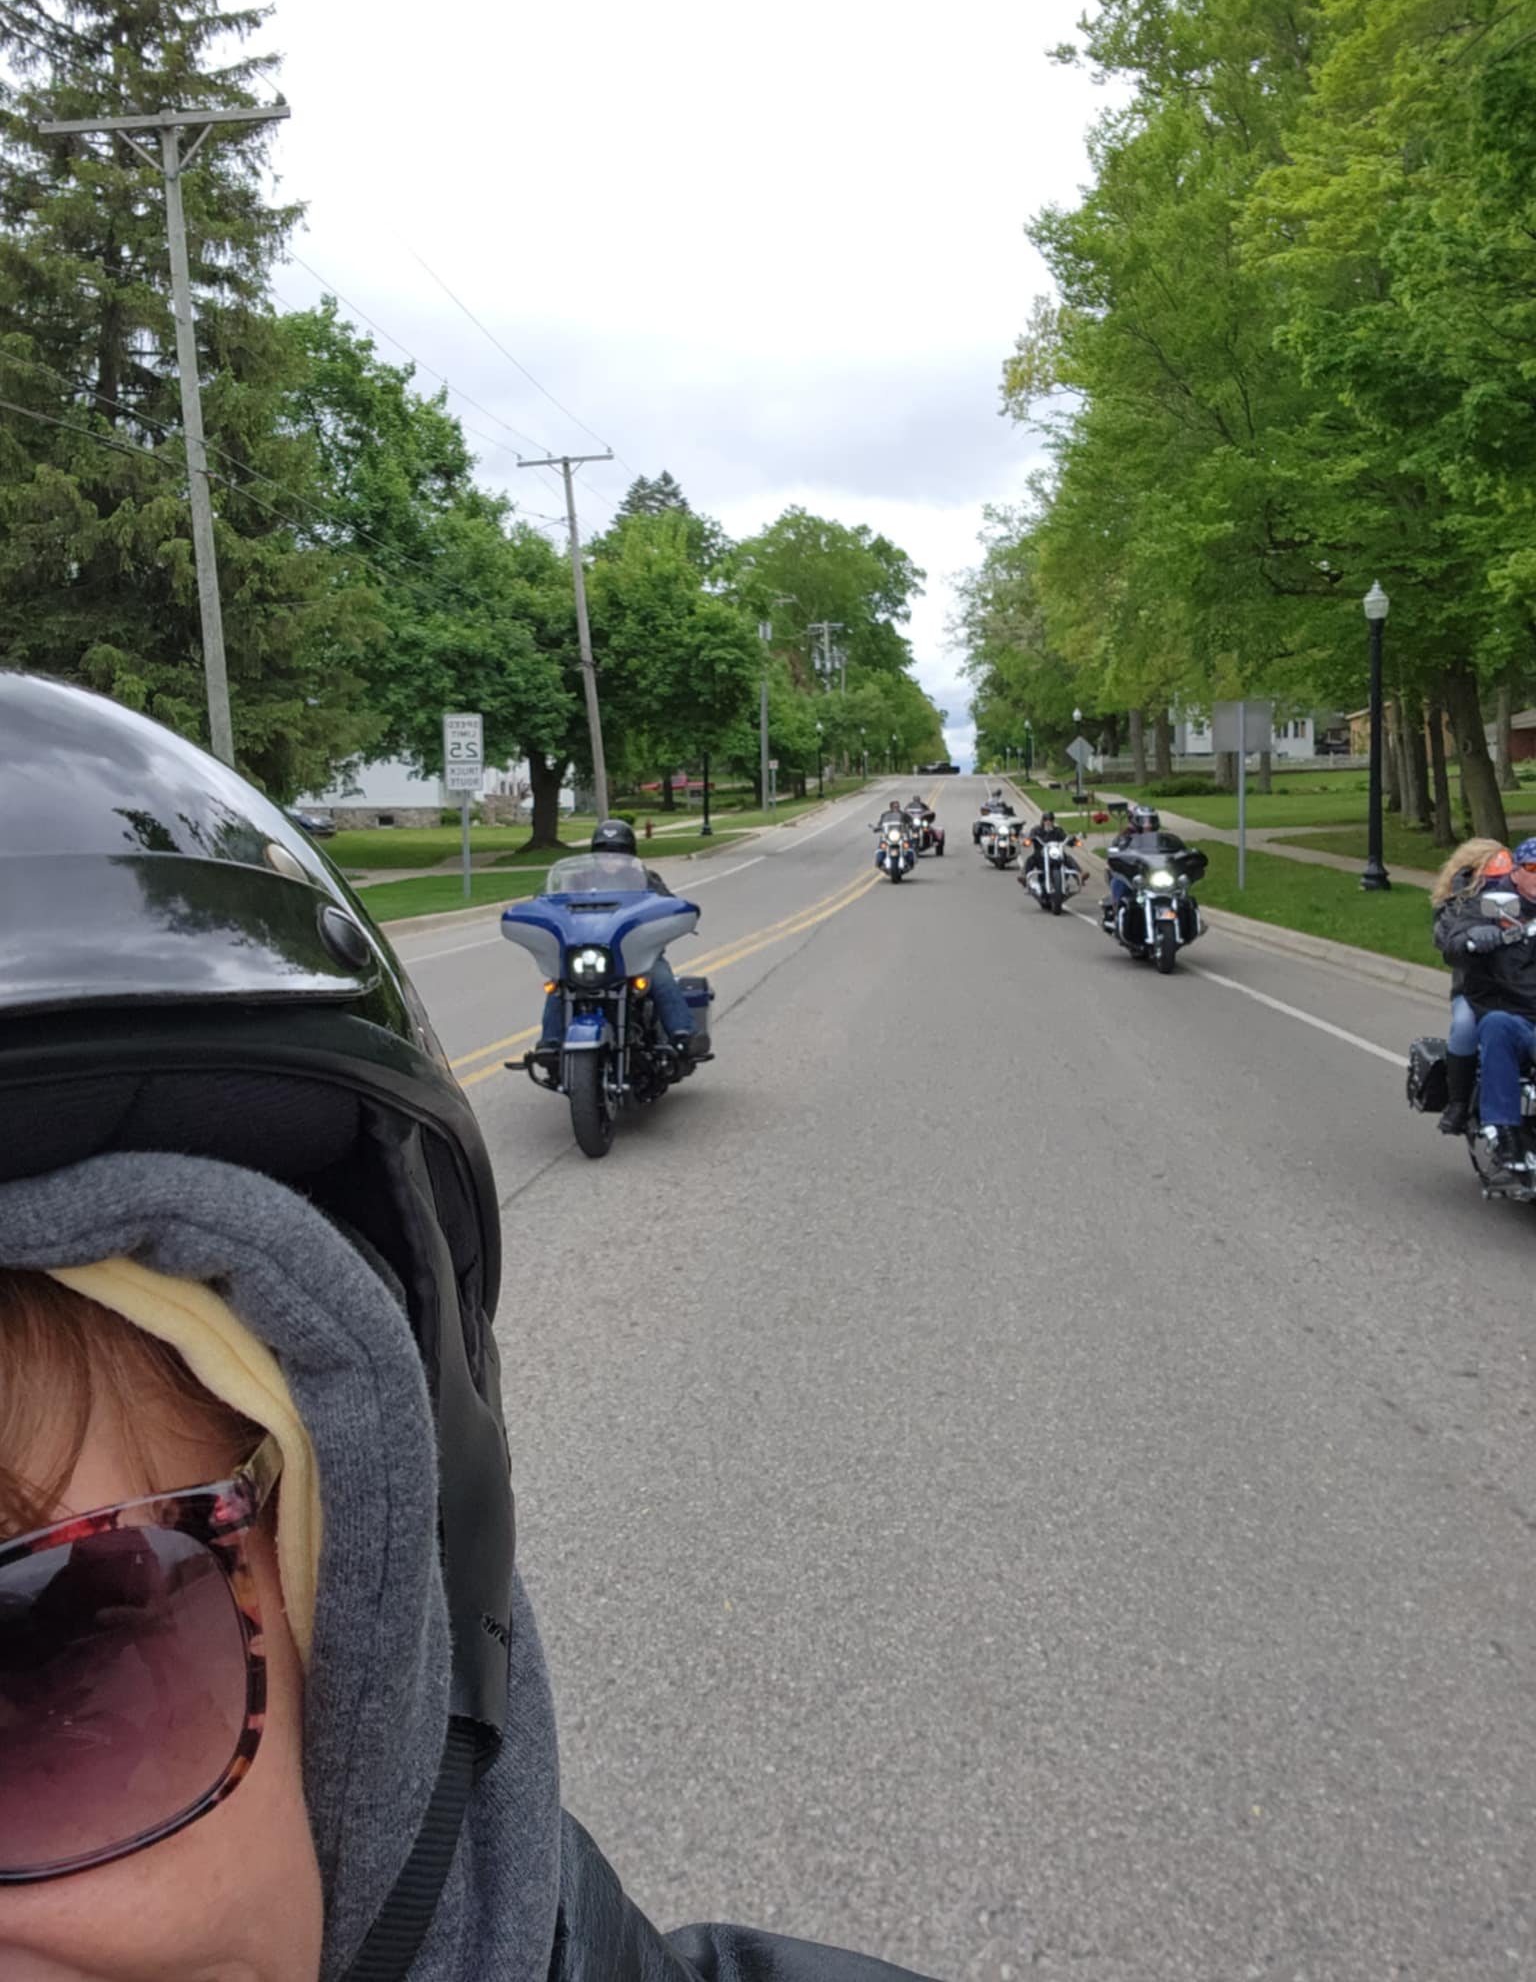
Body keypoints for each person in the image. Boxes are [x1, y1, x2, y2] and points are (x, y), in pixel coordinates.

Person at [0, 671, 937, 1982]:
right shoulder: (576, 884)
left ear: (374, 1593)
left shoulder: (641, 881)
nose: (604, 853)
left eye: (37, 1654)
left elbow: (663, 912)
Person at [536, 816, 700, 1060]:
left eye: (618, 853)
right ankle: (549, 1042)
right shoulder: (578, 881)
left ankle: (684, 1034)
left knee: (661, 978)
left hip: (637, 954)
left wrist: (678, 913)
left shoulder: (646, 879)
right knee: (560, 983)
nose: (611, 859)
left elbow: (667, 904)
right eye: (605, 853)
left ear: (630, 855)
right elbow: (556, 906)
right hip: (590, 951)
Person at [1435, 835, 1536, 1172]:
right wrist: (1474, 938)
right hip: (1511, 1008)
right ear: (1517, 872)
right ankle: (1500, 1129)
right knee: (1488, 1025)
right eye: (1533, 868)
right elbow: (1452, 942)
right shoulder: (1486, 906)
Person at [1428, 838, 1515, 1133]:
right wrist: (1461, 906)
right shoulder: (1456, 905)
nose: (1500, 884)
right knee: (1465, 1026)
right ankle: (1458, 1104)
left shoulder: (1523, 899)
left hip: (1521, 988)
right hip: (1474, 990)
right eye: (1491, 877)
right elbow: (1445, 940)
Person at [1021, 811, 1080, 883]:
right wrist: (1028, 841)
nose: (1048, 822)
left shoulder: (1058, 830)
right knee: (1030, 859)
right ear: (1042, 820)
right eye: (1046, 819)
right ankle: (1024, 877)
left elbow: (1065, 838)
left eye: (1050, 820)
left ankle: (1080, 876)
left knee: (1068, 858)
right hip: (1040, 856)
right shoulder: (1036, 830)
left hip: (1056, 855)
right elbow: (1030, 837)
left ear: (1053, 821)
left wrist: (1072, 841)